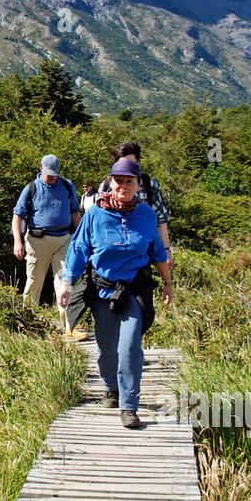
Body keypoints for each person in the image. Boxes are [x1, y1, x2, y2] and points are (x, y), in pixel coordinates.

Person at [58, 158, 171, 428]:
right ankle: (111, 388)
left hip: (134, 289)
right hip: (101, 289)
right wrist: (67, 282)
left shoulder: (146, 215)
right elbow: (78, 248)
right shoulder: (96, 214)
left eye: (128, 181)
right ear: (111, 182)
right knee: (106, 346)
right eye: (118, 180)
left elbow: (157, 251)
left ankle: (129, 405)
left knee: (130, 345)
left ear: (137, 185)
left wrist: (167, 282)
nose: (123, 185)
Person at [12, 155, 81, 319]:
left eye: (54, 173)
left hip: (64, 239)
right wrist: (17, 242)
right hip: (38, 240)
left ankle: (70, 324)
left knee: (66, 280)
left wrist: (82, 239)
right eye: (49, 173)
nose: (52, 177)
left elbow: (75, 213)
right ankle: (28, 320)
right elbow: (18, 216)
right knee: (34, 281)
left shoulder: (67, 185)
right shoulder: (31, 188)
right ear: (40, 168)